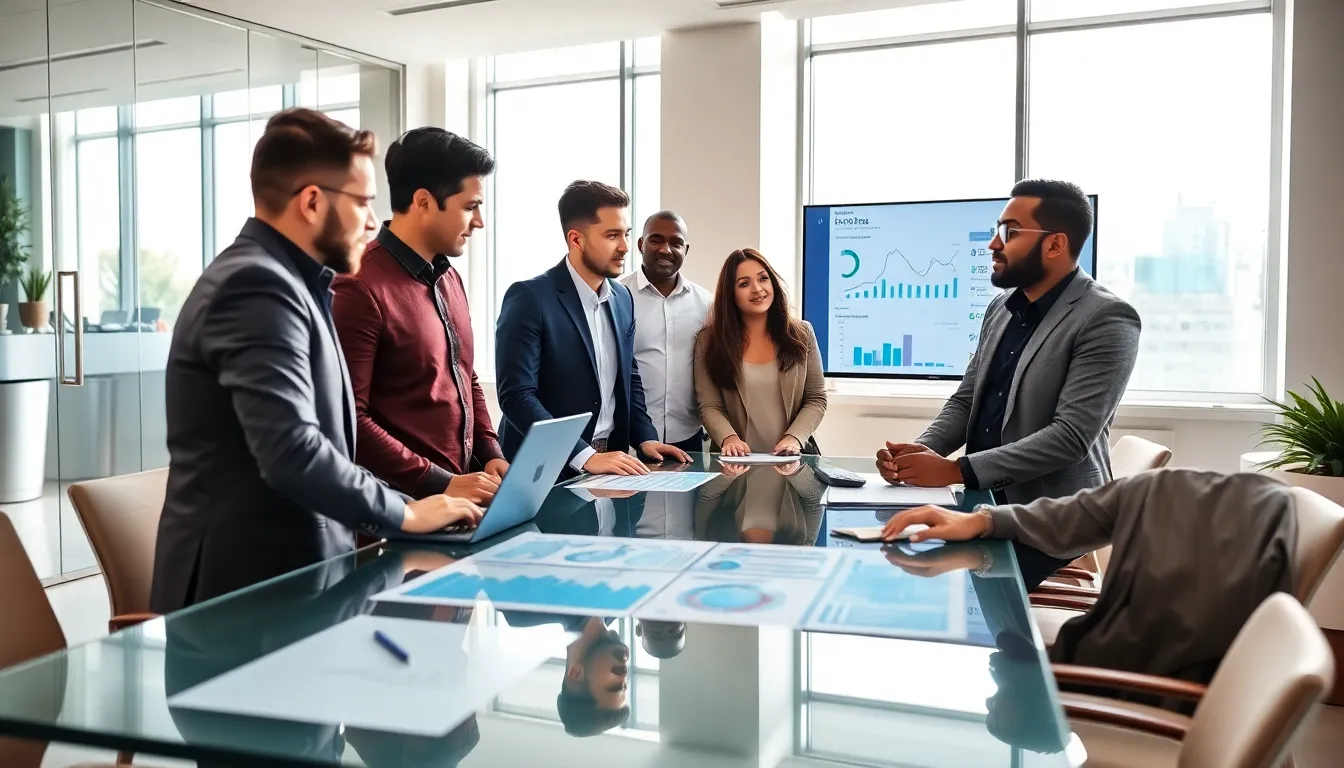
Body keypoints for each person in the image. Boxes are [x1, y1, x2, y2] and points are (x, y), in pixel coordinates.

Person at [150, 109, 482, 614]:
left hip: (300, 581)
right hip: (243, 598)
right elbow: (293, 450)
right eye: (364, 203)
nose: (373, 222)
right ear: (311, 202)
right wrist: (406, 512)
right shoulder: (255, 286)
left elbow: (329, 444)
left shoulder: (299, 285)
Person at [875, 179, 1139, 584]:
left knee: (925, 579)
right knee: (888, 559)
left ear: (1054, 245)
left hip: (1050, 520)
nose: (993, 244)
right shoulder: (1000, 308)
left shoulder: (1107, 319)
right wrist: (922, 453)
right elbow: (966, 400)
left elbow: (1070, 437)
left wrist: (956, 471)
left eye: (1010, 232)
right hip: (982, 503)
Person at [879, 469, 1297, 687]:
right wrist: (982, 520)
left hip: (1120, 714)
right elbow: (1067, 517)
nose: (993, 692)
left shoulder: (1108, 317)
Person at [331, 127, 506, 504]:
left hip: (455, 506)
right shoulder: (359, 285)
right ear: (424, 201)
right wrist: (437, 481)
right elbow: (349, 421)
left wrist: (490, 451)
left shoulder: (450, 278)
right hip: (392, 517)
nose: (479, 222)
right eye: (470, 206)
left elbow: (465, 375)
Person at [495, 180, 689, 476]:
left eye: (625, 234)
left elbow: (628, 376)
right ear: (576, 240)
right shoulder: (530, 298)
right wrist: (583, 455)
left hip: (613, 463)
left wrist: (645, 436)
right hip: (545, 471)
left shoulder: (622, 298)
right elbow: (517, 397)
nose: (625, 246)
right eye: (612, 236)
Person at [694, 248, 827, 457]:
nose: (757, 289)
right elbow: (709, 405)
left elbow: (816, 398)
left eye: (763, 279)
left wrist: (794, 438)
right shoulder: (709, 340)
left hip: (792, 460)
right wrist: (729, 439)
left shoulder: (802, 334)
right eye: (744, 284)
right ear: (730, 293)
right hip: (735, 464)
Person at [618, 210, 712, 456]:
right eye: (656, 239)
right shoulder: (617, 297)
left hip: (689, 436)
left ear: (686, 249)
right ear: (641, 244)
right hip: (628, 438)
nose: (665, 249)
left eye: (676, 242)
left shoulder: (705, 303)